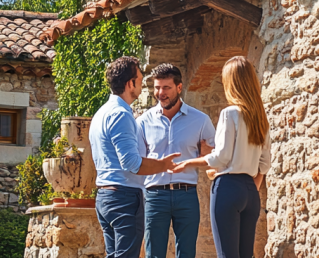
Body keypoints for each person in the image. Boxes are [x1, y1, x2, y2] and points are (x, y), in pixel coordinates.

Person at [171, 57, 271, 258]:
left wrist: (188, 162)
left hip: (228, 188)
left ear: (231, 83)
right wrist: (250, 188)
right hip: (251, 191)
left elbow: (221, 157)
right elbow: (265, 163)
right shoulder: (260, 116)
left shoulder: (229, 113)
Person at [90, 56, 181, 258]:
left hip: (106, 196)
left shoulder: (101, 113)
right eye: (139, 79)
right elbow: (131, 163)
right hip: (123, 197)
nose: (142, 84)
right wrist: (163, 165)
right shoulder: (121, 114)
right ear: (130, 83)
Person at [137, 64, 216, 258]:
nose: (160, 93)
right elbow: (138, 162)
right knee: (153, 254)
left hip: (186, 194)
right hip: (154, 195)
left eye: (166, 88)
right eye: (157, 88)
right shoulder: (143, 122)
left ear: (179, 88)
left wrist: (205, 156)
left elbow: (215, 157)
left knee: (187, 253)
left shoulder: (201, 120)